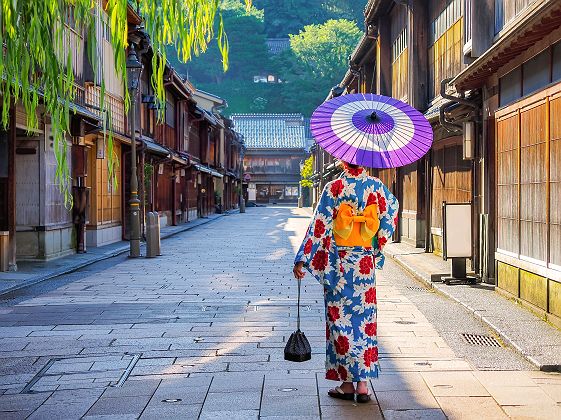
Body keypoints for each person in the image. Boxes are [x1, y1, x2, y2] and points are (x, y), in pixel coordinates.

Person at [293, 162, 398, 403]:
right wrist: (375, 242)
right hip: (364, 265)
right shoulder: (376, 186)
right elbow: (391, 211)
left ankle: (347, 384)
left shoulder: (334, 188)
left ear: (342, 161)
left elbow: (318, 226)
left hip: (339, 264)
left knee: (340, 322)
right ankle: (363, 385)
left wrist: (302, 258)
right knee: (365, 323)